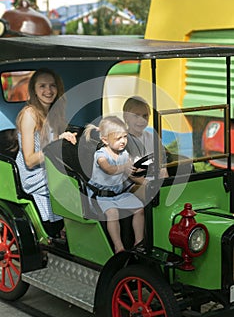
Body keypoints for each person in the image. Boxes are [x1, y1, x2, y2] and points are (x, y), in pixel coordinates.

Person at [16, 68, 77, 238]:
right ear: (34, 90)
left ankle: (71, 228)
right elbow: (29, 160)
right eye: (42, 86)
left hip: (49, 167)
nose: (48, 91)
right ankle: (66, 229)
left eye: (52, 86)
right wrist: (57, 145)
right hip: (33, 173)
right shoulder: (29, 114)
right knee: (70, 183)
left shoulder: (54, 113)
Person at [84, 116, 145, 254]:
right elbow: (109, 169)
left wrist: (140, 168)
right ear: (105, 140)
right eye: (118, 138)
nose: (123, 141)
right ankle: (118, 246)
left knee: (140, 209)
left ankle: (139, 242)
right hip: (102, 196)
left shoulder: (124, 153)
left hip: (120, 193)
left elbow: (131, 168)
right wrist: (125, 167)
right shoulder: (101, 155)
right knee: (113, 214)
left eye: (125, 137)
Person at [123, 95, 168, 178]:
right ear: (126, 117)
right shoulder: (121, 141)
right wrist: (147, 184)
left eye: (145, 116)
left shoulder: (153, 138)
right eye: (136, 116)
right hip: (133, 183)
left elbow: (163, 167)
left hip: (153, 180)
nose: (141, 120)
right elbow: (128, 173)